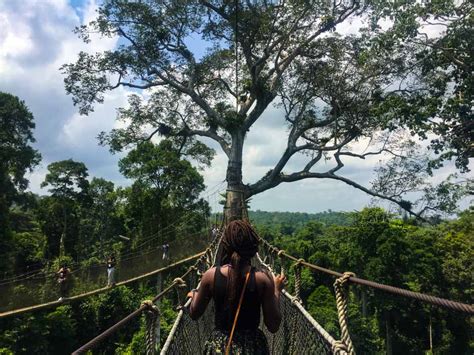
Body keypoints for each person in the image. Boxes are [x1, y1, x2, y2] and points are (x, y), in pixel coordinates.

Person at [187, 220, 286, 354]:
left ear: (225, 245)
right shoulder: (263, 278)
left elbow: (194, 313)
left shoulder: (210, 276)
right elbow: (273, 326)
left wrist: (194, 295)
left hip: (219, 347)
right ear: (252, 245)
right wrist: (276, 290)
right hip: (253, 348)